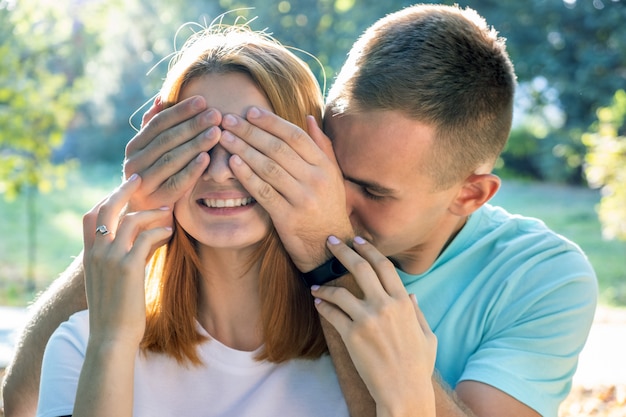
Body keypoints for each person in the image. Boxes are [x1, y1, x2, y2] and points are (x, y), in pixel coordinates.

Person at [2, 4, 596, 417]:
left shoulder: (539, 279)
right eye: (322, 161)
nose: (325, 197)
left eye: (374, 191)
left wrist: (325, 252)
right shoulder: (251, 237)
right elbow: (22, 401)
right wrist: (136, 211)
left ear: (470, 195)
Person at [30, 23, 438, 417]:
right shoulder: (83, 344)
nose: (221, 171)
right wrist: (112, 342)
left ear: (315, 161)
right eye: (197, 140)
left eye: (254, 144)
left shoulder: (370, 355)